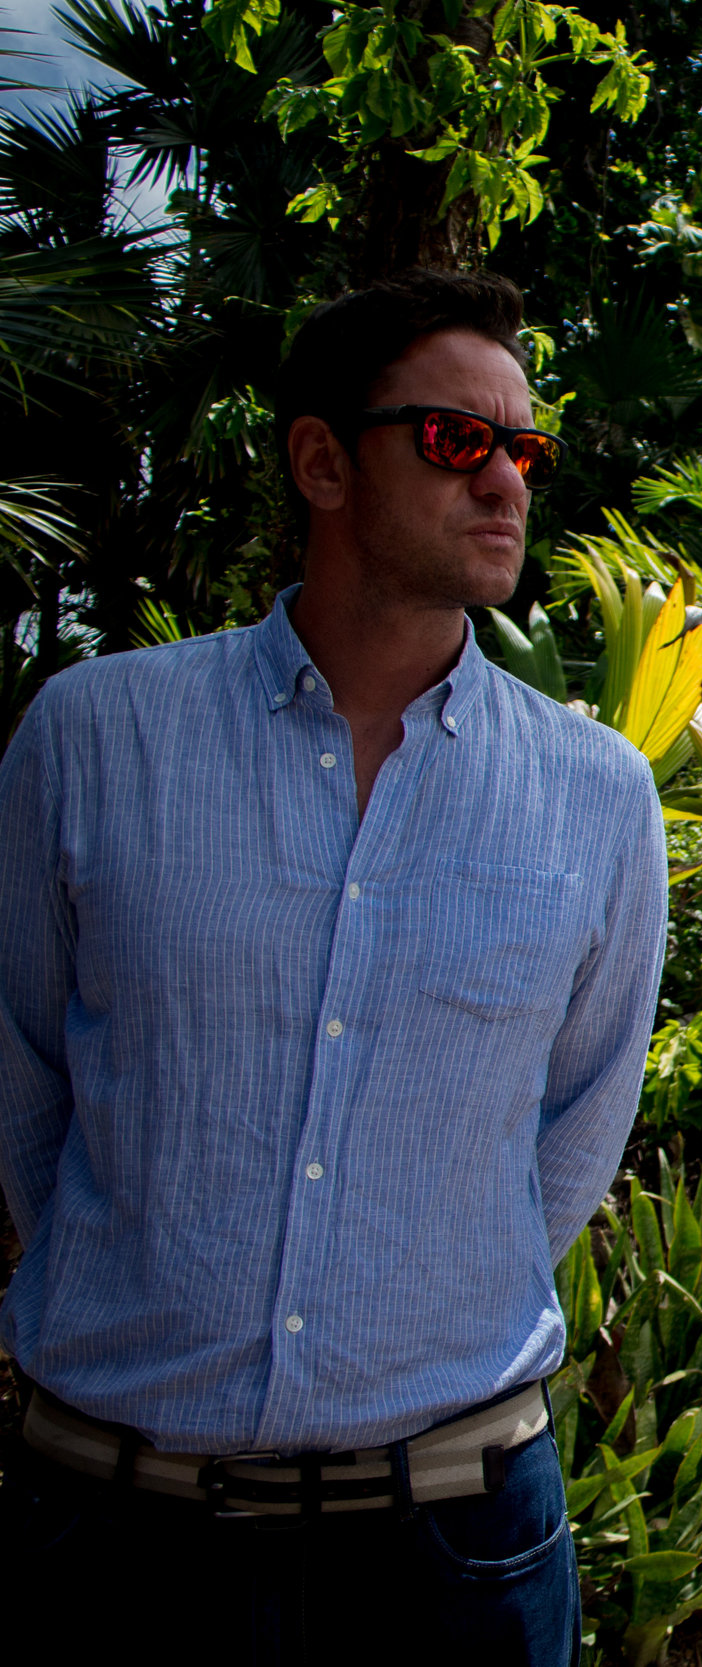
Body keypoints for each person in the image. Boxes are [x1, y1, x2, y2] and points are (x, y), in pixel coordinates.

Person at [0, 268, 668, 1664]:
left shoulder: (595, 793)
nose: (506, 483)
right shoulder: (93, 741)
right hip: (113, 1533)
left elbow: (574, 1126)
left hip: (452, 1551)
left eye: (524, 450)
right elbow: (26, 1081)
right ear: (319, 460)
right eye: (453, 439)